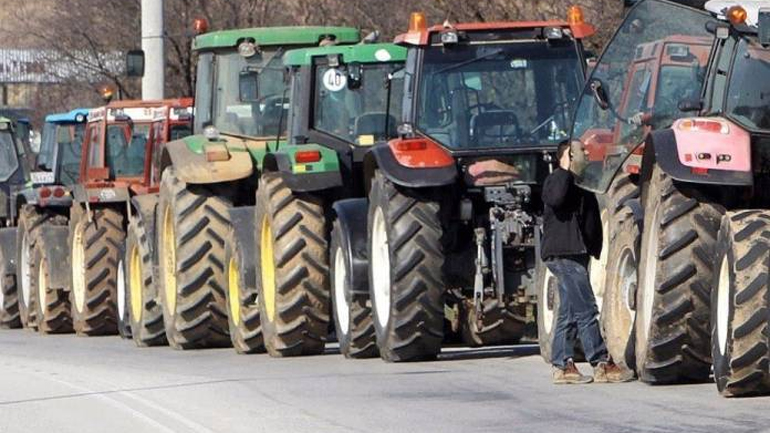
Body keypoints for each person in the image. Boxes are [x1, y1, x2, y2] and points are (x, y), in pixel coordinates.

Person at [541, 141, 634, 385]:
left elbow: (590, 220)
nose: (588, 152)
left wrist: (594, 249)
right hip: (564, 255)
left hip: (577, 254)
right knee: (587, 309)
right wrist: (565, 170)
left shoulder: (581, 184)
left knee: (568, 313)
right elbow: (557, 199)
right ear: (569, 155)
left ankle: (562, 366)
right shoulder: (557, 180)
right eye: (582, 150)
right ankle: (601, 363)